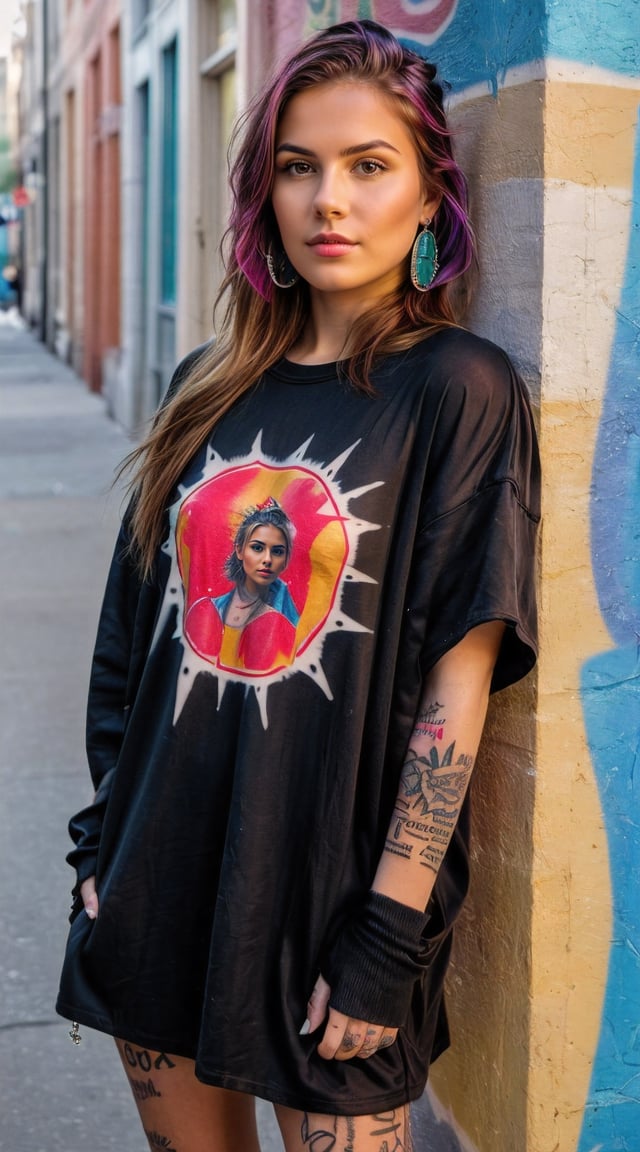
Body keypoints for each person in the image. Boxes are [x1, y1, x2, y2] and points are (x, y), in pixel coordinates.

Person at [57, 18, 540, 1152]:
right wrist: (99, 854)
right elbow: (131, 643)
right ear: (263, 196)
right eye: (296, 166)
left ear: (429, 200)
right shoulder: (203, 389)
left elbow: (454, 690)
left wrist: (387, 933)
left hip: (329, 912)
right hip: (156, 887)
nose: (329, 198)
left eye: (369, 166)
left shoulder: (455, 391)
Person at [184, 496, 300, 672]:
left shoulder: (288, 623)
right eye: (257, 548)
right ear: (239, 549)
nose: (267, 559)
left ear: (285, 560)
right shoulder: (207, 609)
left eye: (277, 551)